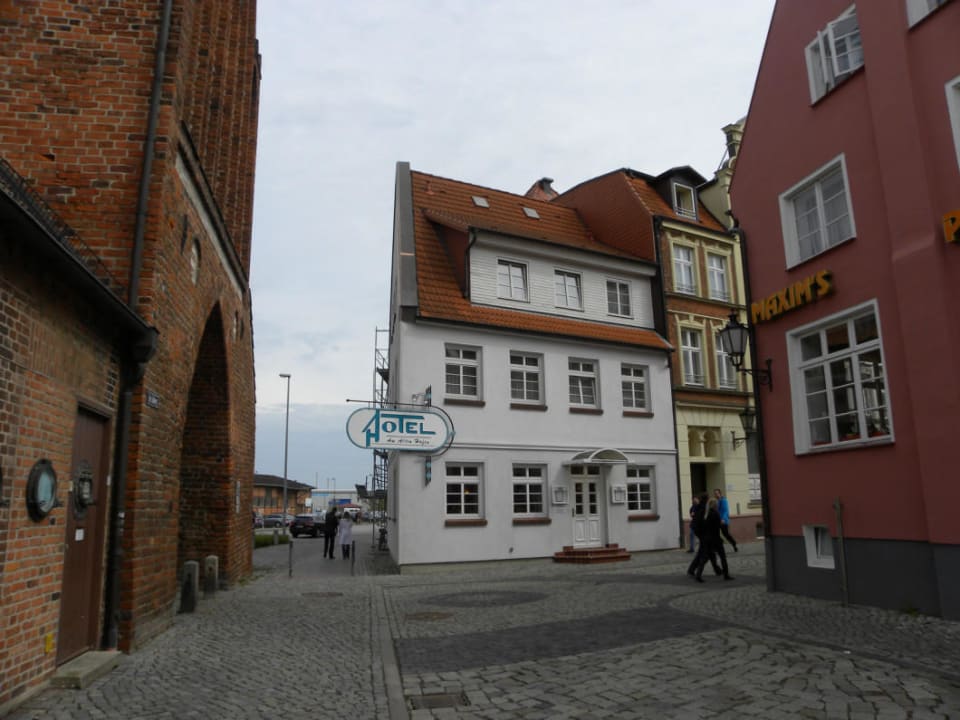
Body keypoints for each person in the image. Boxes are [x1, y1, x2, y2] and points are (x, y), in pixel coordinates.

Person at [693, 498, 733, 582]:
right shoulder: (715, 513)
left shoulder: (706, 514)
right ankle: (726, 575)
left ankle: (698, 574)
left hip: (707, 539)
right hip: (715, 539)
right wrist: (722, 523)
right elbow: (718, 526)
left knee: (704, 558)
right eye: (716, 504)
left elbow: (703, 526)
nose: (718, 505)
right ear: (714, 505)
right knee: (722, 557)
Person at [687, 493, 721, 578]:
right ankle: (694, 570)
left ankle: (717, 570)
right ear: (707, 499)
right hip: (703, 534)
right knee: (707, 552)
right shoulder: (703, 508)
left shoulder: (700, 506)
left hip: (700, 532)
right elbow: (702, 522)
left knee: (707, 552)